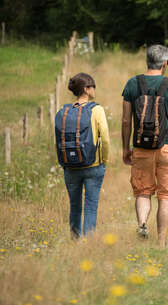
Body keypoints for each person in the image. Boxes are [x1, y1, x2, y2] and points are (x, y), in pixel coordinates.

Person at [121, 44, 168, 247]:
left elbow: (126, 121)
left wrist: (125, 148)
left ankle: (142, 223)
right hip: (166, 148)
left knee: (143, 192)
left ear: (147, 61)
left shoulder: (132, 84)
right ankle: (161, 242)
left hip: (141, 147)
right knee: (165, 196)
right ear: (165, 63)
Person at [60, 73, 110, 238]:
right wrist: (104, 160)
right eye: (92, 86)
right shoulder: (96, 109)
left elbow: (58, 140)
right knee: (90, 206)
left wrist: (65, 163)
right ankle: (88, 243)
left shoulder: (64, 111)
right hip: (93, 165)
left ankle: (75, 240)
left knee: (74, 206)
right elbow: (106, 138)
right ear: (86, 89)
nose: (95, 89)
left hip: (70, 166)